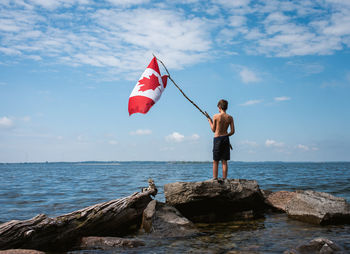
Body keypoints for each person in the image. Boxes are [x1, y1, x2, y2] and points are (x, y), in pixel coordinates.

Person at [207, 99, 235, 180]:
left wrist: (209, 121)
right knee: (224, 161)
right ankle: (224, 179)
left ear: (219, 107)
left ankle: (215, 178)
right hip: (225, 139)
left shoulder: (216, 116)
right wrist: (226, 135)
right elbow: (232, 131)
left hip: (217, 139)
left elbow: (213, 130)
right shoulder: (230, 117)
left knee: (215, 160)